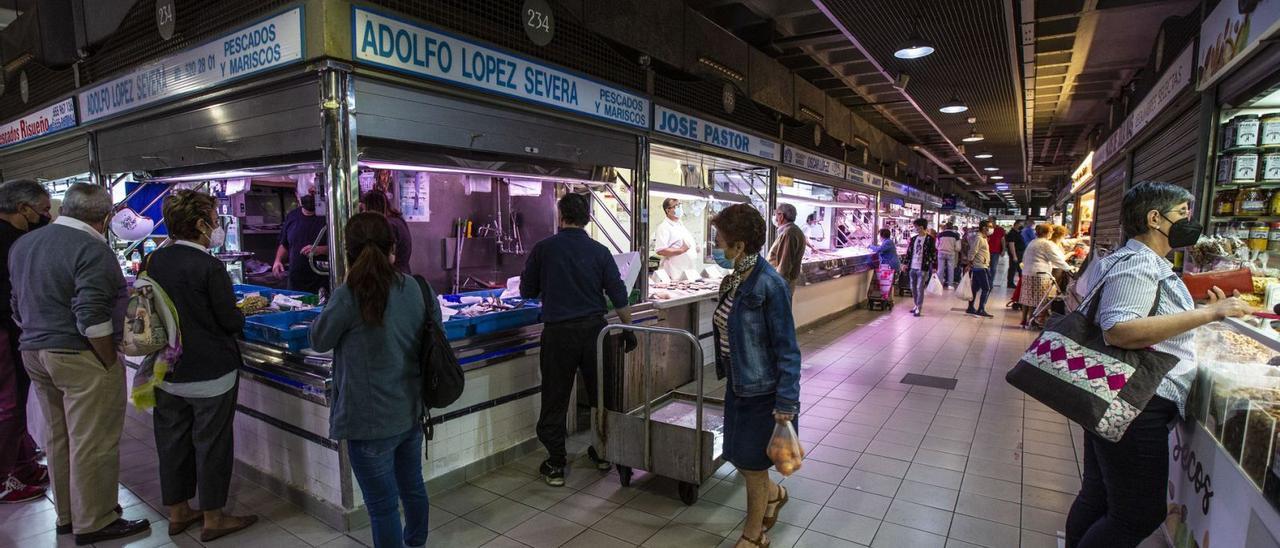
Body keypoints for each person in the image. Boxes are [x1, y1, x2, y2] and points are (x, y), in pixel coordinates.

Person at [1065, 181, 1252, 548]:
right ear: (1155, 218)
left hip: (1112, 388)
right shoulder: (1138, 264)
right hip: (1136, 400)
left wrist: (1197, 309)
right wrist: (1210, 313)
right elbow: (1119, 329)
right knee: (1136, 515)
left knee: (1099, 493)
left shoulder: (1124, 259)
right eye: (1182, 213)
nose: (1188, 221)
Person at [10, 183, 150, 544]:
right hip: (78, 354)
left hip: (34, 352)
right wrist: (107, 359)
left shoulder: (24, 244)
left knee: (59, 437)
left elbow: (16, 304)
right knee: (93, 441)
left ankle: (68, 516)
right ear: (105, 218)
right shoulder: (92, 248)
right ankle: (96, 520)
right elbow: (91, 316)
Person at [311, 213, 433, 548]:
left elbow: (319, 339)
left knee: (382, 507)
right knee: (412, 487)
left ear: (348, 251)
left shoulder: (348, 294)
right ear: (393, 248)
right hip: (409, 411)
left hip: (367, 422)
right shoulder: (416, 287)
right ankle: (417, 543)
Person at [146, 191, 259, 541]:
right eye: (213, 218)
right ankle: (214, 517)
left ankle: (179, 512)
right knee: (212, 443)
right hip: (211, 371)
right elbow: (228, 321)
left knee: (173, 441)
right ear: (199, 224)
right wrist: (247, 309)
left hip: (168, 370)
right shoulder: (210, 266)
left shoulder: (155, 261)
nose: (216, 225)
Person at [520, 193, 635, 486]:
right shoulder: (599, 251)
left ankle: (556, 463)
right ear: (587, 218)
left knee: (555, 397)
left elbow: (526, 291)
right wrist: (629, 328)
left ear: (561, 217)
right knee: (601, 395)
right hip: (595, 333)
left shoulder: (544, 249)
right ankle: (603, 452)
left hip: (559, 334)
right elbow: (618, 292)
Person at [709, 204, 801, 548]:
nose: (716, 247)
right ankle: (774, 495)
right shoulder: (735, 277)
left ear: (740, 246)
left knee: (752, 463)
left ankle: (754, 535)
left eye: (720, 241)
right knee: (736, 453)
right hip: (739, 382)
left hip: (762, 390)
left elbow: (788, 349)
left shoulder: (769, 285)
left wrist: (786, 402)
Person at [0, 180, 50, 504]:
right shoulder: (11, 242)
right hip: (4, 332)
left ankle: (23, 465)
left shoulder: (16, 238)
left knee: (15, 403)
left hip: (12, 331)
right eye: (43, 210)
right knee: (9, 406)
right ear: (22, 209)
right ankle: (4, 479)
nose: (46, 216)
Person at [272, 193, 329, 294]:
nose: (310, 196)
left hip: (322, 281)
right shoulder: (292, 216)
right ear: (297, 194)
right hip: (295, 282)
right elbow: (284, 244)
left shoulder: (328, 216)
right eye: (306, 193)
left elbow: (341, 245)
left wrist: (320, 249)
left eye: (313, 193)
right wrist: (278, 260)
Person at [1018, 224, 1073, 328]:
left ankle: (1024, 321)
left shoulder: (1033, 242)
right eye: (1051, 232)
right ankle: (1033, 322)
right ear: (1046, 233)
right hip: (1039, 274)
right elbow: (1057, 259)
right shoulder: (1046, 244)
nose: (1052, 234)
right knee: (1038, 299)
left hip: (1027, 272)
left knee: (1027, 298)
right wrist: (1069, 268)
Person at [361, 191, 413, 274]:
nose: (363, 213)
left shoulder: (389, 225)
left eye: (364, 209)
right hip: (402, 273)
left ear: (373, 208)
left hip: (394, 276)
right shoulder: (397, 220)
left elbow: (387, 258)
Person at [653, 198, 699, 280]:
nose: (680, 208)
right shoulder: (664, 227)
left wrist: (695, 247)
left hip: (687, 272)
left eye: (680, 205)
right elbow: (660, 250)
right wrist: (681, 250)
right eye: (676, 206)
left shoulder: (680, 224)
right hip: (674, 274)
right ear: (668, 210)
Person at [767, 203, 807, 293]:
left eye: (775, 214)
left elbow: (784, 265)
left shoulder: (789, 233)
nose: (774, 217)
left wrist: (777, 287)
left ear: (781, 216)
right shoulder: (793, 230)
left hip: (781, 284)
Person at [902, 218, 936, 317]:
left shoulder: (930, 239)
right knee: (913, 288)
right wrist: (905, 264)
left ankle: (919, 308)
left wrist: (934, 266)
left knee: (919, 288)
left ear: (921, 227)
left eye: (916, 227)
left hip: (922, 267)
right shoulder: (913, 239)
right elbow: (909, 252)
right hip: (912, 267)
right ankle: (916, 304)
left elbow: (933, 253)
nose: (915, 228)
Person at [965, 220, 994, 318]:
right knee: (987, 288)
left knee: (975, 288)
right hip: (981, 267)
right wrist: (969, 262)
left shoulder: (983, 238)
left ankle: (970, 307)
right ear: (984, 228)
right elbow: (973, 251)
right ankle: (981, 309)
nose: (991, 228)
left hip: (980, 266)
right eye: (989, 226)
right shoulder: (979, 238)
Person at [936, 223, 961, 289]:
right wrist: (953, 249)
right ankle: (950, 285)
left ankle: (939, 284)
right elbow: (958, 248)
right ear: (952, 227)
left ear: (945, 227)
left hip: (941, 253)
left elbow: (936, 245)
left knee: (940, 269)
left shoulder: (940, 235)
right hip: (951, 253)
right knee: (951, 269)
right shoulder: (955, 235)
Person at [986, 218, 1006, 287]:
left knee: (993, 268)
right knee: (985, 267)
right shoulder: (986, 229)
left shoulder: (1000, 230)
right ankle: (985, 281)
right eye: (989, 221)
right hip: (986, 251)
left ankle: (990, 282)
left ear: (994, 222)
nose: (990, 223)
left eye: (991, 221)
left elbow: (1002, 240)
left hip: (996, 252)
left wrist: (1003, 249)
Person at [1006, 220, 1025, 289]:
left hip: (1020, 254)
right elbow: (1011, 245)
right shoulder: (1012, 233)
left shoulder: (1018, 232)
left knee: (1020, 268)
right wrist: (1014, 256)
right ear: (1016, 224)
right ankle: (1010, 283)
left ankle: (1022, 282)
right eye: (1020, 224)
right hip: (1016, 254)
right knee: (1013, 269)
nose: (1021, 226)